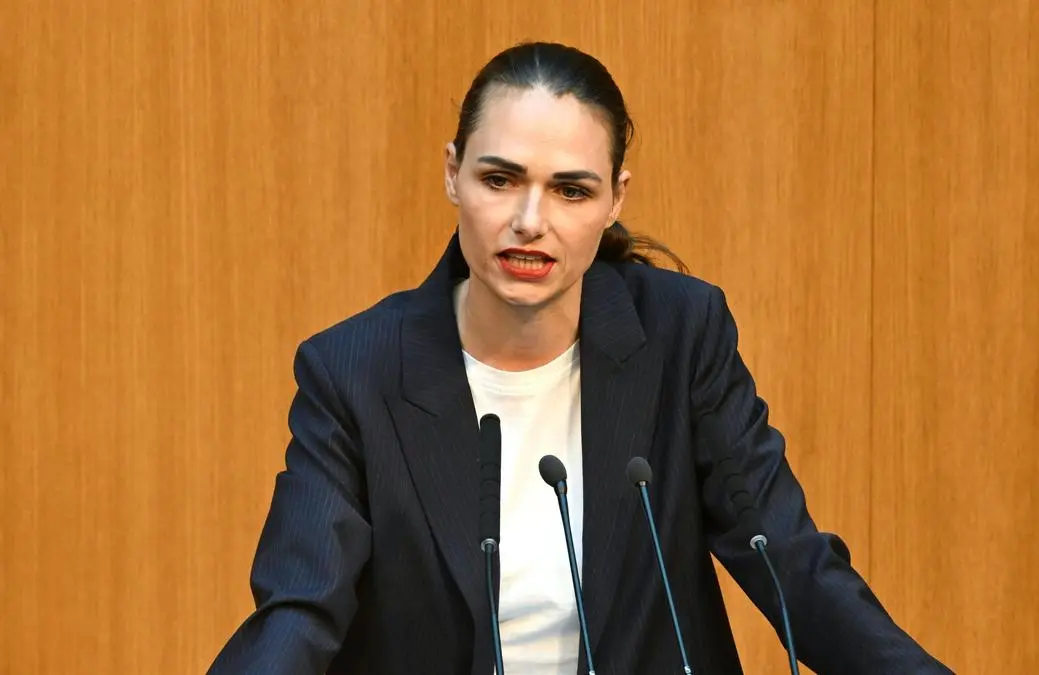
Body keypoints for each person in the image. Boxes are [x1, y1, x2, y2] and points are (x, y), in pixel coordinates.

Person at [208, 41, 951, 674]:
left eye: (570, 190)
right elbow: (299, 609)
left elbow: (787, 560)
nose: (530, 221)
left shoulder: (680, 336)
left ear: (615, 199)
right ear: (452, 172)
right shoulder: (354, 370)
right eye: (500, 179)